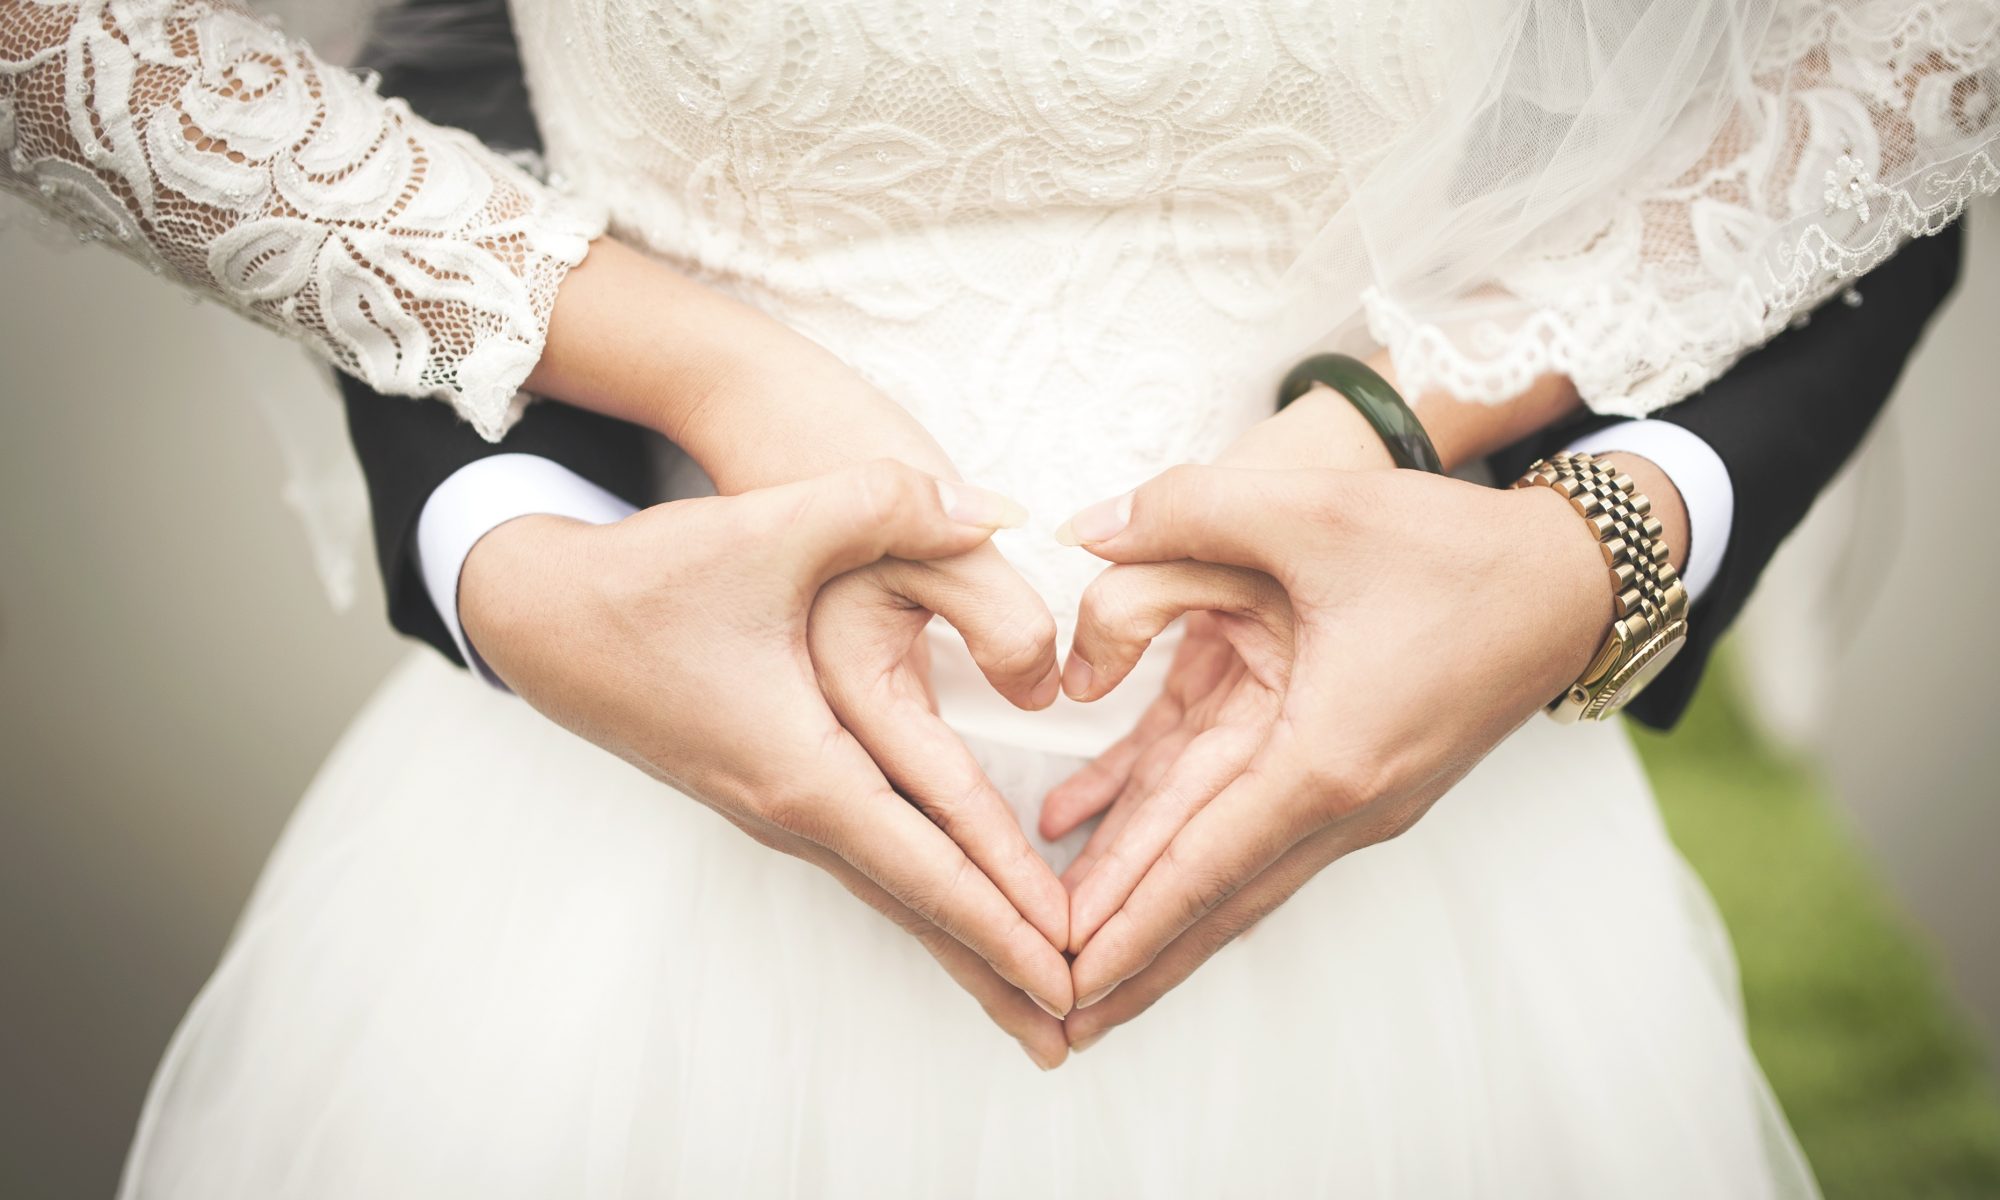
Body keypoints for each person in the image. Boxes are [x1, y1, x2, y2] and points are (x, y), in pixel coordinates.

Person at [0, 0, 1989, 1194]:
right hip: (619, 862)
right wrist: (573, 506)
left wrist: (1559, 538)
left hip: (1412, 867)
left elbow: (1887, 73)